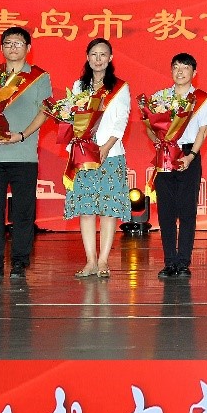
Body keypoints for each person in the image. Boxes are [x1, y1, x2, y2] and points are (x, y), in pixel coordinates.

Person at [0, 27, 52, 281]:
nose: (13, 47)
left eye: (18, 43)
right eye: (8, 43)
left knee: (23, 213)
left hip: (23, 154)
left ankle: (19, 261)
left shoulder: (39, 77)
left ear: (28, 48)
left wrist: (23, 135)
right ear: (1, 48)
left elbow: (45, 112)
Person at [64, 38, 131, 278]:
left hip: (110, 154)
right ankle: (90, 261)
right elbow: (72, 117)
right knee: (86, 209)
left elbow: (121, 121)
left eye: (103, 54)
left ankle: (103, 261)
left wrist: (105, 147)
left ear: (110, 58)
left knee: (108, 210)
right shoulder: (78, 86)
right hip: (83, 154)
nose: (98, 59)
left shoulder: (120, 87)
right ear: (87, 57)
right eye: (94, 54)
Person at [146, 52, 207, 279]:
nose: (180, 71)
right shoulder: (160, 97)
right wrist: (157, 141)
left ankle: (183, 262)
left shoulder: (202, 99)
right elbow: (149, 126)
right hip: (165, 154)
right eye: (176, 66)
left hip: (188, 154)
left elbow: (203, 130)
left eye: (185, 67)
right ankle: (169, 262)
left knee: (187, 210)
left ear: (194, 73)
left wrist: (191, 156)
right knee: (165, 211)